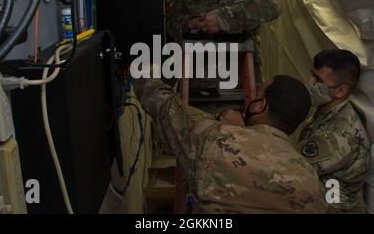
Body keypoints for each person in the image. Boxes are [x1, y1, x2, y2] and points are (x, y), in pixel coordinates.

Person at [133, 75, 327, 214]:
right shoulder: (310, 178)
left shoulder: (216, 140)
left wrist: (140, 71)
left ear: (260, 105)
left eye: (257, 95)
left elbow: (164, 106)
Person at [292, 49, 371, 214]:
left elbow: (291, 168)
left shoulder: (341, 133)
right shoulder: (325, 112)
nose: (309, 82)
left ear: (341, 91)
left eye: (318, 80)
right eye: (311, 74)